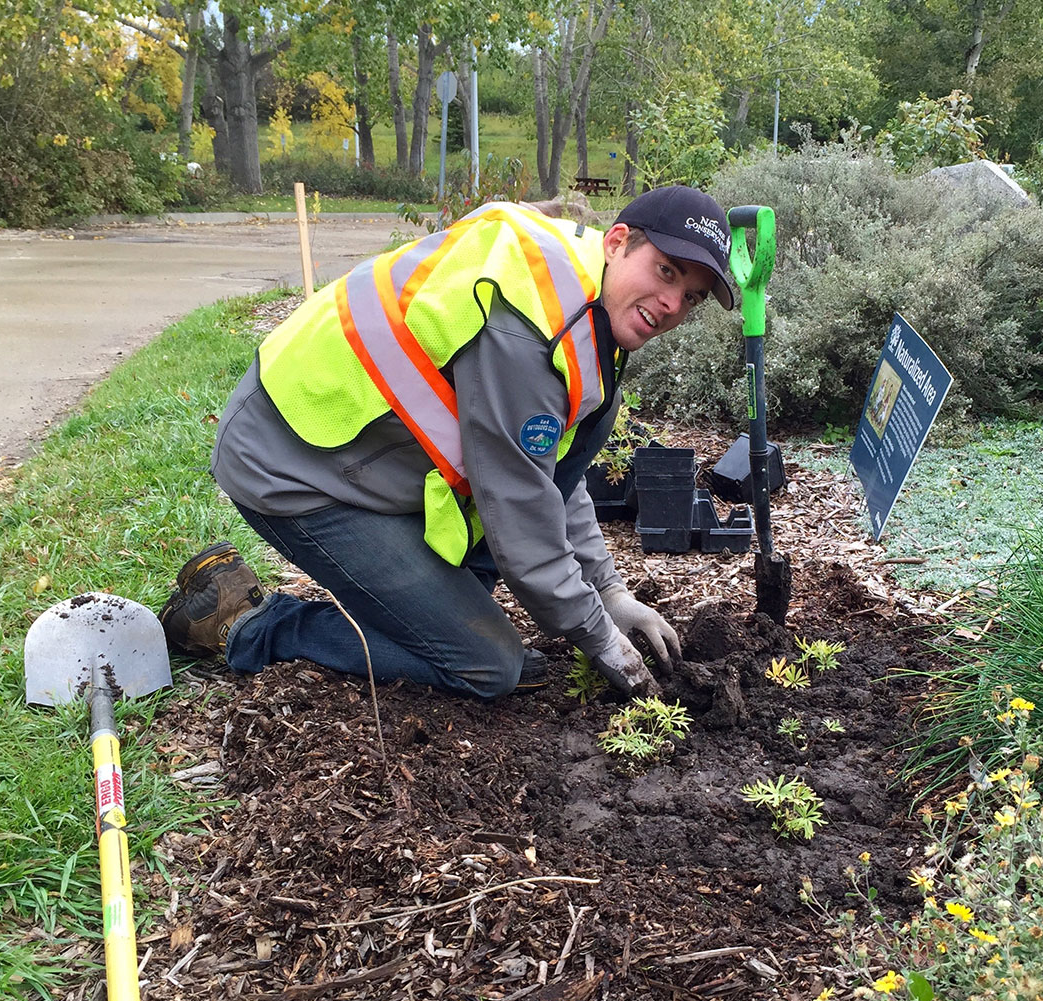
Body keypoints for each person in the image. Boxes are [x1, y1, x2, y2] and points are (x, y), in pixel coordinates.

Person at [158, 185, 736, 699]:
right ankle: (242, 622)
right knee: (488, 665)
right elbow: (521, 515)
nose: (672, 304)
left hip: (364, 453)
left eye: (692, 296)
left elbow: (553, 478)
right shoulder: (531, 328)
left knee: (464, 604)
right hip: (291, 461)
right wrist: (600, 636)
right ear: (617, 242)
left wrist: (610, 592)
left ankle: (423, 614)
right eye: (666, 272)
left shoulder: (587, 296)